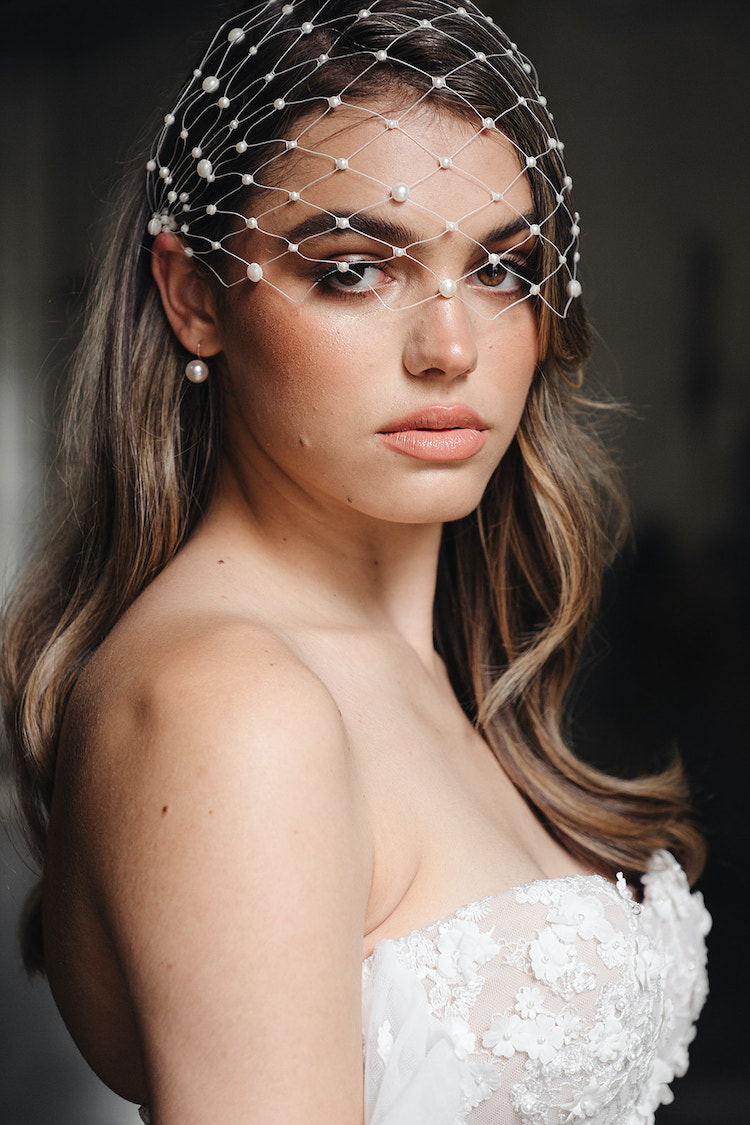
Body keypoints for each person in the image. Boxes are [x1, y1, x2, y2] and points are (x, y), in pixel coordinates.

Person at [0, 1, 710, 1122]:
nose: (451, 348)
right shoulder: (228, 705)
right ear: (194, 297)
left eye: (503, 269)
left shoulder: (426, 665)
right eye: (352, 270)